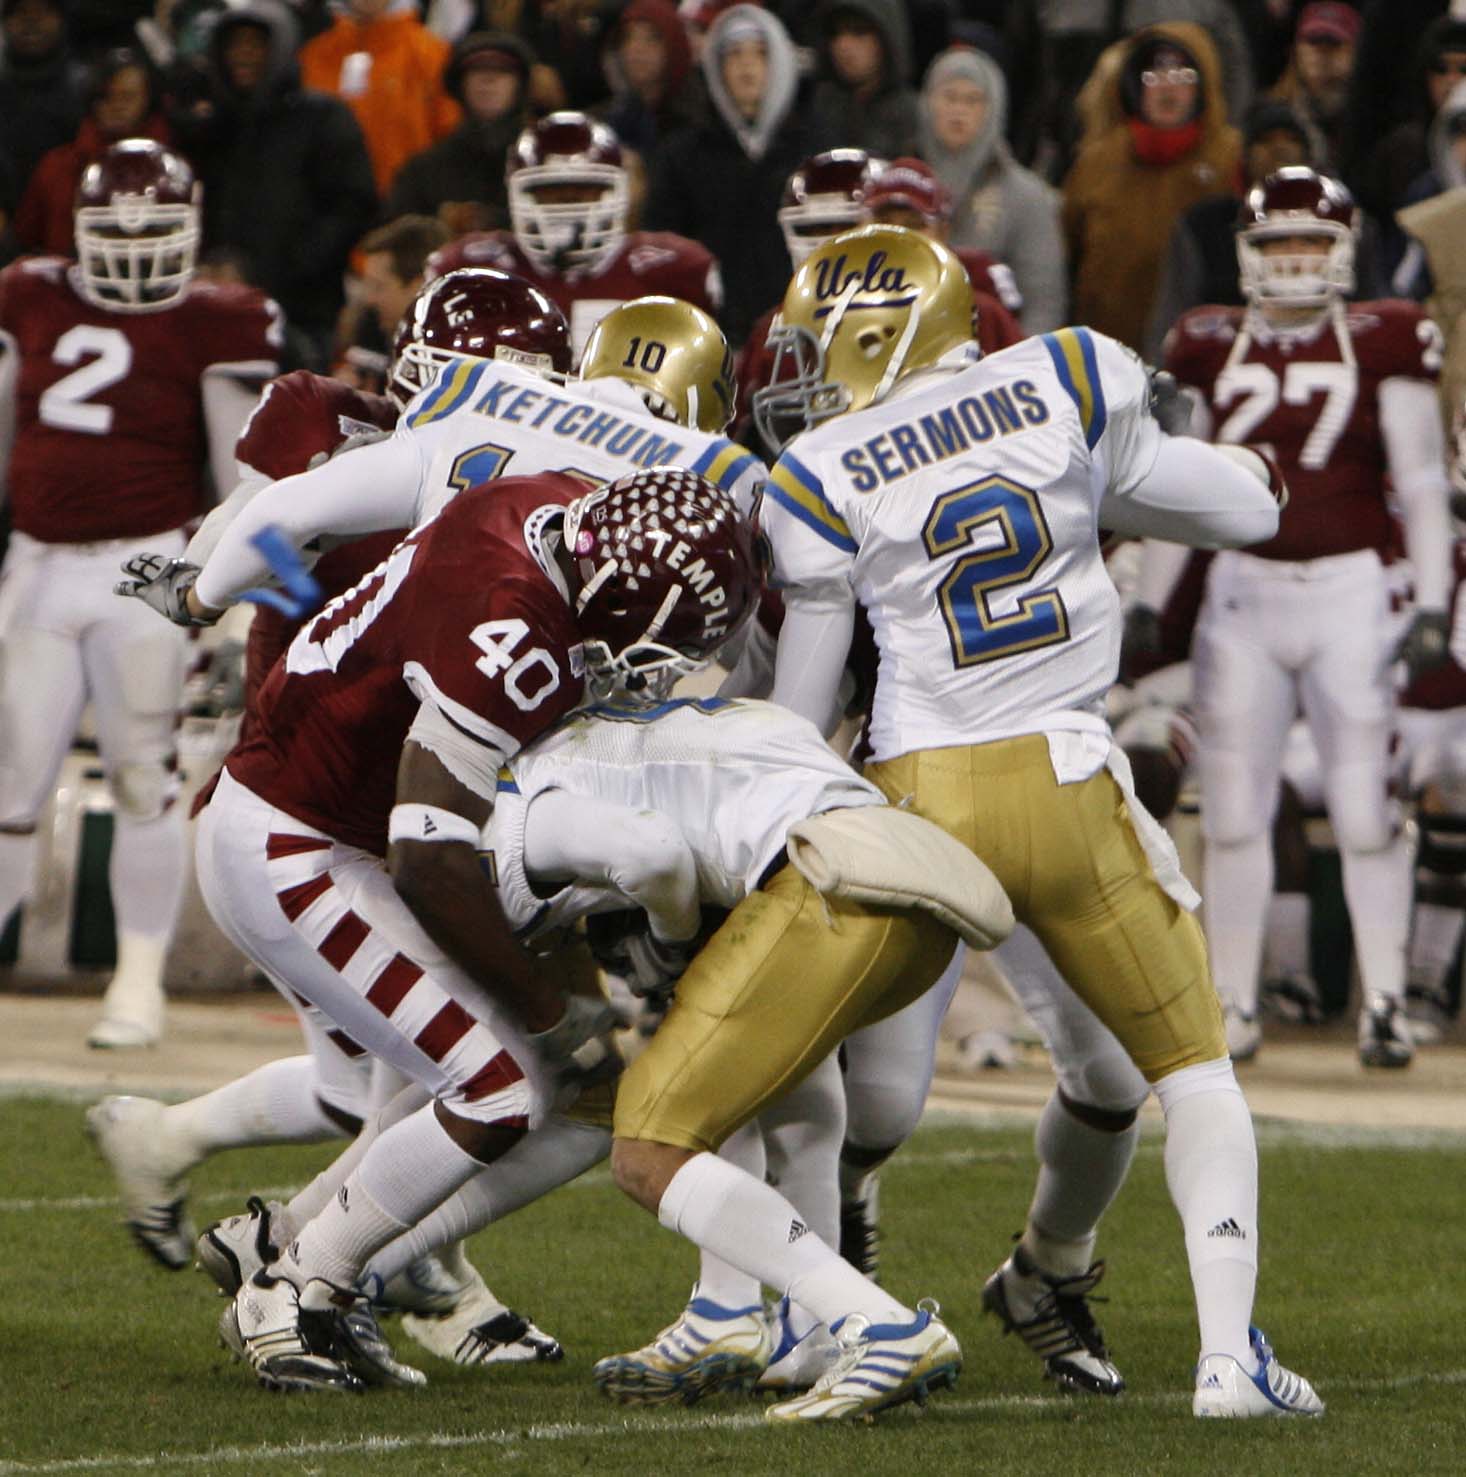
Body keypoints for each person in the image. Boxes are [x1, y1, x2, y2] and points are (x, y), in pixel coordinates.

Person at [756, 221, 1323, 1418]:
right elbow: (1237, 510)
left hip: (917, 794)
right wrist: (1244, 475)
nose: (805, 367)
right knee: (1189, 1070)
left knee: (1059, 1081)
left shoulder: (823, 465)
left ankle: (1002, 1278)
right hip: (1061, 777)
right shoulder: (1061, 377)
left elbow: (799, 716)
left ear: (875, 333)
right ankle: (1228, 1357)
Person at [124, 463, 760, 1395]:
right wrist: (549, 1005)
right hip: (296, 845)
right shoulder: (510, 630)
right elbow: (428, 855)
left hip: (333, 824)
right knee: (499, 1083)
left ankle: (286, 1243)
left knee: (533, 1082)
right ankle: (298, 1288)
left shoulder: (552, 501)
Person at [1163, 167, 1453, 1069]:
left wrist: (1436, 599)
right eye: (1277, 241)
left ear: (1343, 250)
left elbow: (1420, 479)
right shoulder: (1206, 341)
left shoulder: (1385, 337)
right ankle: (1234, 1002)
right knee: (1237, 811)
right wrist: (1146, 598)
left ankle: (1386, 1004)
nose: (1293, 259)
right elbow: (1178, 481)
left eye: (1309, 242)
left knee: (1368, 808)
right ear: (1247, 253)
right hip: (1243, 593)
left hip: (1351, 593)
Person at [0, 140, 280, 1049]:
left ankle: (137, 979)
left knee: (142, 773)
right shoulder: (27, 294)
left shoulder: (221, 320)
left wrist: (228, 581)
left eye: (156, 229)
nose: (132, 249)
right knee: (9, 784)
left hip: (144, 564)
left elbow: (244, 468)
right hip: (39, 559)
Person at [734, 150, 1025, 451]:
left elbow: (1026, 405)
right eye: (884, 221)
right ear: (862, 227)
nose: (897, 235)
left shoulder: (983, 313)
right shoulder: (799, 314)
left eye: (913, 224)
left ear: (944, 231)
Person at [172, 0, 377, 370]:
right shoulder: (212, 128)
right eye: (234, 44)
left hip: (304, 315)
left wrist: (282, 271)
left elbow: (352, 207)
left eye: (256, 43)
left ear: (281, 47)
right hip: (217, 305)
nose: (243, 55)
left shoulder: (323, 117)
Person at [421, 112, 722, 363]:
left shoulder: (675, 271)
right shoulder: (473, 272)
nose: (568, 208)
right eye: (550, 195)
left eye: (583, 192)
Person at [644, 4, 826, 346]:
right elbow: (662, 254)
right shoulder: (681, 156)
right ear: (715, 67)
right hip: (709, 340)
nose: (746, 65)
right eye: (734, 54)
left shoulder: (816, 154)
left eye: (760, 54)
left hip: (802, 339)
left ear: (783, 65)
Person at [1062, 24, 1241, 353]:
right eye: (1153, 76)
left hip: (1202, 355)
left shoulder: (1231, 159)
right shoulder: (1097, 161)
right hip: (1103, 355)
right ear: (1133, 85)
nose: (1167, 90)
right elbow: (1066, 256)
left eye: (1183, 77)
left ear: (1205, 87)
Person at [1143, 99, 1315, 363]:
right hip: (1219, 373)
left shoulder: (1346, 226)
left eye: (1291, 140)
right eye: (1265, 141)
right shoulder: (1202, 226)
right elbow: (1170, 323)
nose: (1279, 149)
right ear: (1244, 156)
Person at [916, 45, 1067, 335]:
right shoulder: (896, 191)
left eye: (973, 100)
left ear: (994, 109)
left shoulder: (1027, 197)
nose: (959, 110)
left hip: (999, 358)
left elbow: (1043, 301)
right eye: (949, 97)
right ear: (927, 102)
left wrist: (1018, 364)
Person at [12, 47, 169, 258]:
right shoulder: (57, 166)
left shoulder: (172, 170)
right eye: (107, 96)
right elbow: (24, 242)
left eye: (128, 96)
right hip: (66, 284)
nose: (117, 106)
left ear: (149, 99)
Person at [298, 0, 459, 198]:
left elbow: (450, 135)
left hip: (406, 203)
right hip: (329, 205)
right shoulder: (314, 56)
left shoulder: (431, 53)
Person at [384, 31, 535, 234]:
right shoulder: (424, 169)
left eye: (502, 71)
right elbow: (395, 236)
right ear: (459, 84)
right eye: (476, 70)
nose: (488, 80)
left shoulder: (542, 162)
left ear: (520, 86)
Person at [338, 214, 449, 394]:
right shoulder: (371, 329)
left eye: (379, 286)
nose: (369, 299)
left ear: (420, 286)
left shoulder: (460, 349)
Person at [806, 1, 919, 160]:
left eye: (859, 32)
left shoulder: (912, 114)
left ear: (886, 38)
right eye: (835, 33)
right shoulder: (820, 105)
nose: (843, 44)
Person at [0, 0, 89, 195]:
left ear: (61, 19)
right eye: (21, 12)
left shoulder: (88, 89)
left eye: (43, 11)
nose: (31, 21)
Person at [597, 0, 704, 162]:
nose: (637, 48)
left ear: (674, 48)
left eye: (652, 38)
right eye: (629, 38)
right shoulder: (609, 119)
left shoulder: (698, 125)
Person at [1267, 2, 1359, 175]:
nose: (1322, 54)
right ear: (1296, 51)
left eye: (1334, 44)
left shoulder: (1368, 118)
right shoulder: (1272, 114)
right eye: (1313, 42)